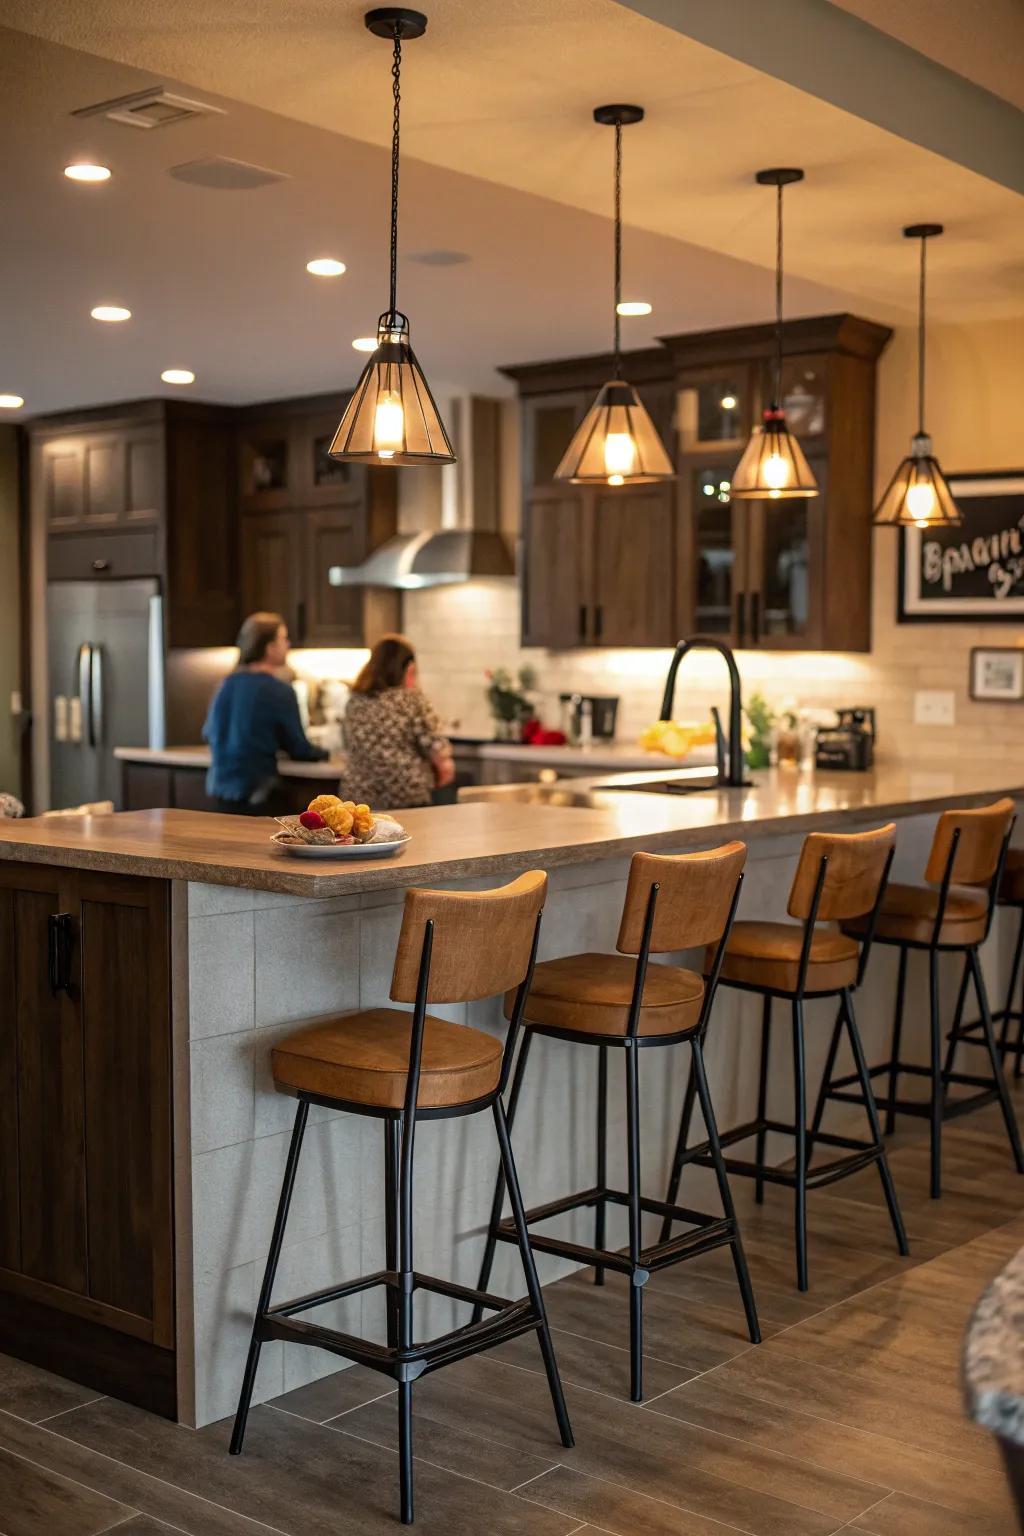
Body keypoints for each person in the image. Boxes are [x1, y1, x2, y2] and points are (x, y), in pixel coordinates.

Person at [203, 612, 329, 814]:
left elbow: (209, 733)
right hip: (258, 797)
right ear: (269, 648)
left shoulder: (226, 684)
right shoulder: (279, 691)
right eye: (283, 638)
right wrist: (326, 752)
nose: (288, 644)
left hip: (220, 795)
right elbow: (300, 749)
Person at [343, 634, 454, 810]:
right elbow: (437, 749)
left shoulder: (355, 701)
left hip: (359, 800)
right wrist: (444, 766)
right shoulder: (412, 700)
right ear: (409, 667)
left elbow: (348, 744)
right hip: (405, 797)